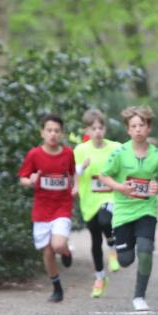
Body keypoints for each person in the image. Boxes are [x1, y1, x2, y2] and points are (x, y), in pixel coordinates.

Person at [98, 106, 158, 311]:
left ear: (148, 128)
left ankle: (139, 296)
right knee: (125, 260)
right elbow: (104, 175)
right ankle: (118, 245)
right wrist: (120, 187)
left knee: (146, 251)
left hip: (146, 211)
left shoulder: (157, 155)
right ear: (128, 130)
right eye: (134, 126)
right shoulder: (120, 153)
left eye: (142, 125)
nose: (138, 129)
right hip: (123, 212)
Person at [18, 113, 76, 303]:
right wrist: (31, 180)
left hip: (62, 207)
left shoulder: (68, 153)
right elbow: (23, 179)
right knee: (48, 251)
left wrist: (74, 187)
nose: (53, 134)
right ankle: (57, 287)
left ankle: (66, 251)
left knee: (57, 245)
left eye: (57, 131)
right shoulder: (34, 154)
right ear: (42, 132)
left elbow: (72, 175)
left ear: (62, 134)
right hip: (42, 209)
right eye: (49, 130)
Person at [72, 109, 122, 298]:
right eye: (93, 128)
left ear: (105, 129)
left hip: (110, 196)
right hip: (89, 198)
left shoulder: (116, 147)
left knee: (105, 221)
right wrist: (77, 179)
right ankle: (100, 278)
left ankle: (112, 248)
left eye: (101, 128)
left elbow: (125, 164)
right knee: (94, 239)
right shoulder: (81, 150)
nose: (98, 132)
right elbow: (73, 172)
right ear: (87, 130)